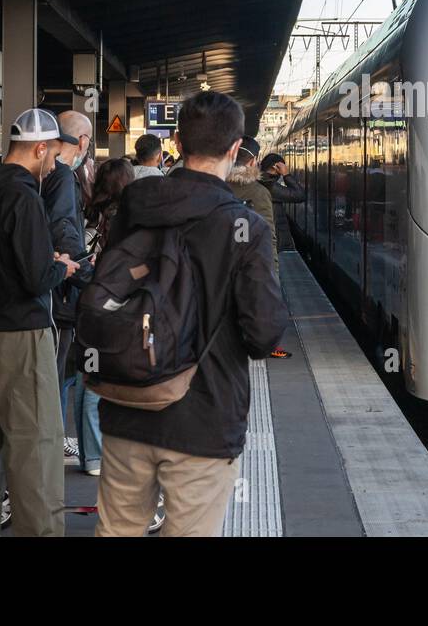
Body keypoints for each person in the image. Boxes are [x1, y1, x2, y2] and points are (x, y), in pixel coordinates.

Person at [95, 91, 288, 537]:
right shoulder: (246, 228)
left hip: (127, 400)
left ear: (177, 142)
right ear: (236, 148)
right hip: (204, 414)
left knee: (116, 531)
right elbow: (263, 334)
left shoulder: (136, 204)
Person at [0, 108, 78, 537]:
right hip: (21, 333)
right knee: (35, 446)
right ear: (40, 148)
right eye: (54, 155)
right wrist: (62, 267)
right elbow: (35, 275)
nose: (54, 164)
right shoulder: (24, 197)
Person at [74, 157, 134, 477]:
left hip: (89, 299)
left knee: (88, 374)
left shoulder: (91, 211)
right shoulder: (122, 216)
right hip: (111, 301)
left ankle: (90, 456)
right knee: (100, 378)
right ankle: (97, 455)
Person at [42, 110, 94, 470]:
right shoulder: (62, 177)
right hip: (59, 290)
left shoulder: (42, 175)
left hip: (47, 285)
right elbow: (63, 226)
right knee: (57, 373)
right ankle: (54, 442)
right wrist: (86, 274)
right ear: (83, 143)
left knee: (54, 372)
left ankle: (51, 439)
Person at [226, 136, 277, 274]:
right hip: (248, 274)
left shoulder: (214, 187)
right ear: (253, 161)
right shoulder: (259, 193)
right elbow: (267, 242)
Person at [258, 152, 306, 254]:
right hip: (274, 240)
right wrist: (286, 174)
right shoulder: (269, 185)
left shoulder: (261, 181)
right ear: (276, 167)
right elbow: (300, 195)